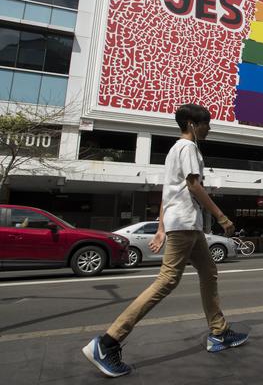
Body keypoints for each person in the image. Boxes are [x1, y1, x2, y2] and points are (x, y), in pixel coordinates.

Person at [83, 104, 248, 378]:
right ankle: (108, 342)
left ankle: (219, 333)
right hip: (184, 224)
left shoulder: (174, 151)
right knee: (167, 281)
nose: (210, 128)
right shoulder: (188, 148)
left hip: (186, 225)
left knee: (209, 272)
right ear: (192, 125)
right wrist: (221, 217)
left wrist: (161, 227)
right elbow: (194, 186)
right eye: (206, 123)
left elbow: (167, 195)